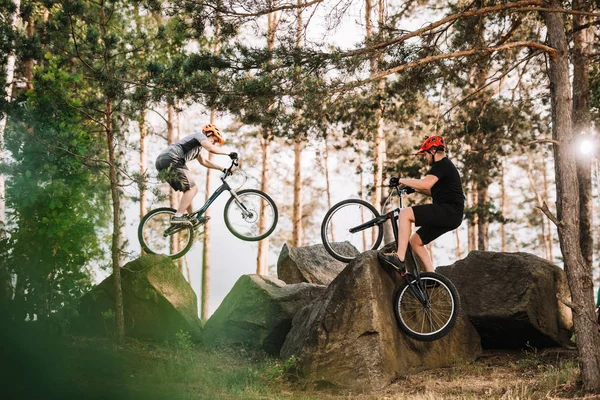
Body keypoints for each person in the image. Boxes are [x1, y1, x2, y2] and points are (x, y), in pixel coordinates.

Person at [378, 135, 465, 273]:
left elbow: (425, 183)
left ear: (432, 151)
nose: (425, 157)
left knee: (405, 214)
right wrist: (414, 189)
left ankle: (399, 258)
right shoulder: (444, 167)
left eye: (425, 154)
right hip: (452, 214)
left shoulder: (441, 164)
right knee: (415, 242)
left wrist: (401, 180)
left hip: (449, 210)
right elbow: (433, 191)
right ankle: (432, 276)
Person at [155, 123, 238, 226]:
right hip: (171, 158)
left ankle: (191, 218)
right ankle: (178, 216)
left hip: (161, 162)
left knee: (188, 190)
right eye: (215, 139)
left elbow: (204, 162)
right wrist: (229, 153)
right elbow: (210, 148)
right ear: (209, 133)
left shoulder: (198, 148)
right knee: (193, 189)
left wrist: (222, 169)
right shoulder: (199, 136)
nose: (214, 143)